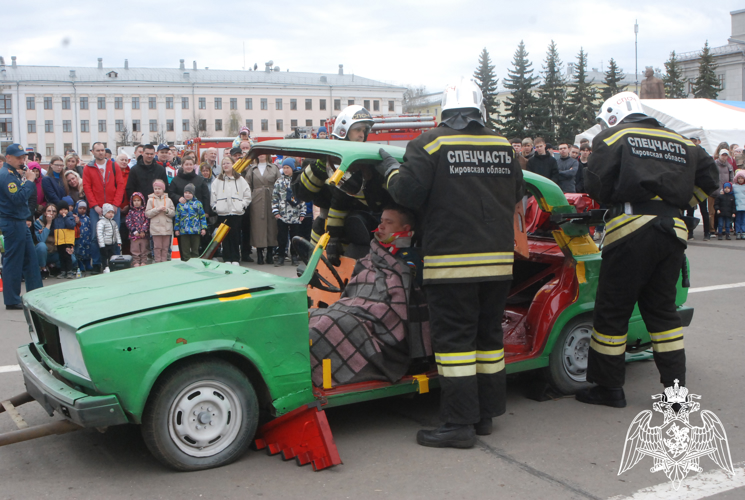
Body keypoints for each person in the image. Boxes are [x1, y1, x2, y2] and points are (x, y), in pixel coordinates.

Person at [378, 77, 524, 448]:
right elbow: (517, 192)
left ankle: (458, 424)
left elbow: (408, 193)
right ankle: (484, 416)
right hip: (498, 263)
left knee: (455, 344)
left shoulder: (431, 143)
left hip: (452, 264)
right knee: (488, 339)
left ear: (444, 110)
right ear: (479, 109)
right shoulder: (502, 145)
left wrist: (391, 169)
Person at [578, 91, 719, 408]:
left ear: (612, 116)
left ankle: (608, 388)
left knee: (613, 312)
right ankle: (675, 395)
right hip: (672, 230)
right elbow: (709, 178)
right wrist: (682, 202)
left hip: (630, 228)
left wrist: (615, 199)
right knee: (662, 313)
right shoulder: (681, 140)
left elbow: (596, 182)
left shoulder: (615, 136)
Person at [308, 205, 429, 388]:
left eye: (389, 223)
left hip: (381, 319)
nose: (381, 226)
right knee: (314, 316)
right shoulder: (374, 255)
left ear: (405, 230)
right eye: (381, 221)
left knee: (326, 324)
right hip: (354, 307)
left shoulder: (411, 258)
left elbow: (407, 294)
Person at [0, 144, 43, 309]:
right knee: (13, 261)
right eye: (18, 157)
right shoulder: (6, 175)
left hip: (19, 221)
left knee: (30, 259)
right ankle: (12, 299)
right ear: (8, 158)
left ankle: (37, 294)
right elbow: (18, 198)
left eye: (23, 157)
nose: (22, 160)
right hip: (12, 222)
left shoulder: (13, 174)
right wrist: (30, 181)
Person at [83, 142, 124, 273]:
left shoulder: (113, 165)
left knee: (114, 235)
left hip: (112, 207)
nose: (101, 152)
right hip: (97, 208)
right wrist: (94, 205)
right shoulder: (88, 168)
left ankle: (116, 261)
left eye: (102, 150)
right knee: (96, 236)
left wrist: (116, 204)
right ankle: (96, 263)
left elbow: (120, 185)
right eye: (98, 150)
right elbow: (87, 188)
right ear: (93, 152)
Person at [210, 156, 251, 265]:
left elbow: (247, 195)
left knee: (235, 236)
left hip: (236, 213)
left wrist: (242, 205)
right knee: (224, 237)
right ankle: (227, 258)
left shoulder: (240, 179)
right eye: (223, 164)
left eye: (228, 163)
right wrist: (216, 207)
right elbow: (213, 195)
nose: (225, 165)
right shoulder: (218, 180)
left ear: (232, 164)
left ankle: (235, 258)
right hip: (223, 212)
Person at [246, 154, 279, 264]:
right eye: (259, 153)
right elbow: (247, 186)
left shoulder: (274, 168)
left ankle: (270, 252)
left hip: (271, 198)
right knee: (258, 226)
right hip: (257, 199)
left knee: (272, 225)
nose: (261, 155)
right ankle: (259, 253)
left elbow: (279, 184)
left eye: (263, 153)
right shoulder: (252, 169)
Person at [272, 158, 306, 266]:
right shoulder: (279, 181)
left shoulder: (298, 181)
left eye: (288, 168)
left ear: (292, 168)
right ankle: (281, 255)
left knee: (294, 237)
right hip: (282, 214)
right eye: (284, 168)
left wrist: (302, 212)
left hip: (295, 214)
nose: (286, 170)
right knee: (281, 236)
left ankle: (294, 256)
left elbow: (302, 197)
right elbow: (274, 197)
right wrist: (275, 210)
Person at [174, 183, 207, 261]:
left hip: (195, 230)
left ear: (193, 194)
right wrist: (177, 229)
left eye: (189, 193)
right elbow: (177, 217)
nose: (187, 194)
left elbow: (202, 217)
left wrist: (203, 228)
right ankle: (186, 264)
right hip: (183, 231)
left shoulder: (198, 204)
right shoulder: (180, 205)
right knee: (185, 250)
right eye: (186, 193)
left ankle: (195, 264)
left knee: (195, 250)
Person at [145, 179, 175, 263]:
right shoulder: (150, 200)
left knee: (165, 247)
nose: (157, 190)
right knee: (157, 247)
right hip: (156, 228)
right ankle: (157, 261)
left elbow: (173, 213)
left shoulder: (168, 200)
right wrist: (156, 210)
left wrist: (167, 210)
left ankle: (164, 261)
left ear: (163, 189)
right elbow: (147, 213)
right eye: (155, 188)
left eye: (159, 188)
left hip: (167, 227)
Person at [52, 199, 77, 279]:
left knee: (68, 256)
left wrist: (66, 217)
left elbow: (71, 225)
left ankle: (69, 271)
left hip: (68, 241)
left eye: (65, 209)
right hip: (60, 241)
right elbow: (54, 229)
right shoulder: (56, 219)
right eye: (61, 210)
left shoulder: (70, 217)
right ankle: (63, 271)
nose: (63, 211)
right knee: (61, 257)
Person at [125, 192, 150, 266]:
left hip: (143, 235)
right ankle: (136, 261)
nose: (136, 202)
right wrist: (134, 231)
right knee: (135, 249)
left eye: (138, 201)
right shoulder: (130, 212)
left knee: (144, 249)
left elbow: (147, 221)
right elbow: (128, 221)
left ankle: (143, 261)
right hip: (134, 236)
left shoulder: (145, 211)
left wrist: (143, 230)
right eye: (134, 201)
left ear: (142, 201)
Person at [33, 204, 57, 279]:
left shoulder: (59, 221)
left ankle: (52, 265)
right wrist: (48, 224)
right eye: (49, 211)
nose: (51, 213)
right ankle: (43, 268)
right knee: (41, 246)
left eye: (54, 211)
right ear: (45, 213)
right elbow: (41, 239)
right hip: (43, 252)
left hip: (54, 250)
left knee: (73, 260)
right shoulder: (38, 222)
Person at [96, 203, 121, 273]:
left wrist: (118, 241)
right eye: (109, 212)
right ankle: (105, 267)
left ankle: (111, 266)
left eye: (112, 212)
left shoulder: (113, 222)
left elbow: (116, 232)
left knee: (112, 256)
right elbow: (99, 234)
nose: (111, 214)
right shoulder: (101, 222)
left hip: (112, 243)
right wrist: (101, 245)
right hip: (104, 244)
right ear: (104, 213)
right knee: (104, 257)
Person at [74, 200, 94, 275]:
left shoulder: (88, 218)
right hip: (79, 238)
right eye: (80, 208)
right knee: (79, 251)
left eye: (84, 208)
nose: (82, 210)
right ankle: (80, 264)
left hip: (87, 237)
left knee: (88, 251)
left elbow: (90, 227)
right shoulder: (75, 218)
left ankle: (88, 263)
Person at [733, 171, 745, 239]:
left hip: (744, 206)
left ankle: (743, 232)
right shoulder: (734, 186)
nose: (740, 180)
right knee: (737, 220)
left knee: (744, 220)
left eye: (742, 178)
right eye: (739, 178)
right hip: (737, 206)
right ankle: (737, 231)